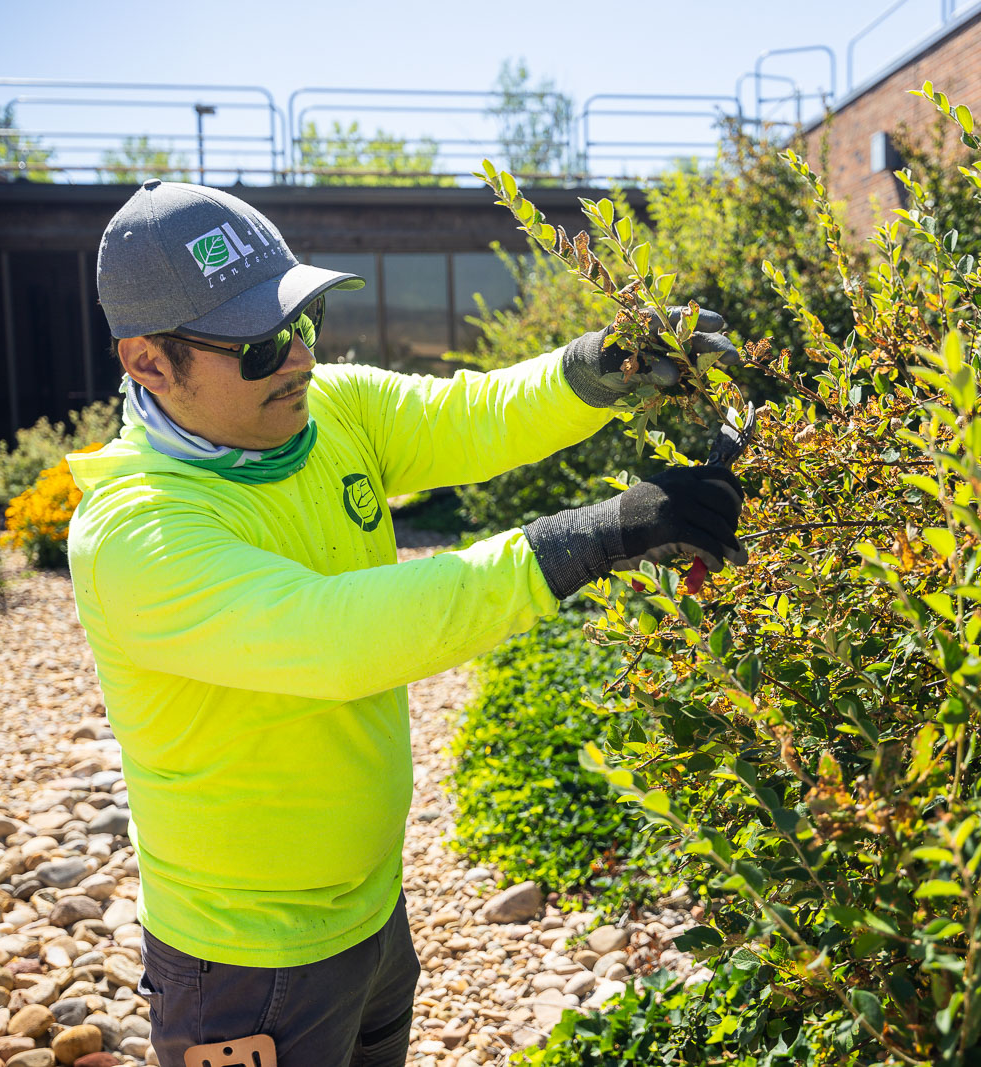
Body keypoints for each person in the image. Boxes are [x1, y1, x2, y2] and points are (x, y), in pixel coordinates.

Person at [66, 179, 749, 1066]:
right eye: (260, 344)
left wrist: (599, 364)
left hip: (373, 907)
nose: (298, 359)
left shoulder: (329, 411)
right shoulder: (137, 530)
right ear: (148, 361)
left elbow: (474, 414)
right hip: (246, 958)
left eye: (304, 323)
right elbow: (337, 636)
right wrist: (599, 534)